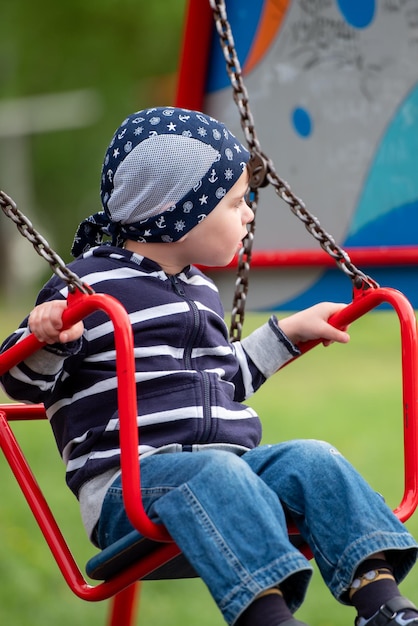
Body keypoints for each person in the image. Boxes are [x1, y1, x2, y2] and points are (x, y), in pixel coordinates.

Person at [1, 106, 417, 626]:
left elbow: (226, 380)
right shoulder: (86, 289)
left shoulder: (200, 290)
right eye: (237, 202)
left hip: (227, 473)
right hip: (130, 491)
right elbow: (18, 380)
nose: (249, 215)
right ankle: (268, 617)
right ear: (177, 211)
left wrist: (289, 332)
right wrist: (49, 336)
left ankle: (381, 603)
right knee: (217, 472)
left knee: (312, 458)